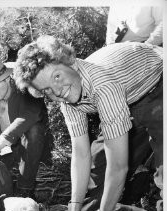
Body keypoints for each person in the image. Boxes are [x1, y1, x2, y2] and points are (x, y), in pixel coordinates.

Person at [13, 35, 163, 211]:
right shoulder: (68, 97)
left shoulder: (102, 86)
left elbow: (118, 167)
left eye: (57, 76)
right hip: (128, 100)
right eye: (46, 90)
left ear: (69, 62)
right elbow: (81, 153)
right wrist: (74, 205)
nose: (57, 91)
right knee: (98, 166)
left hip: (159, 85)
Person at [0, 55, 52, 198]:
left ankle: (25, 188)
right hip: (5, 154)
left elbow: (28, 117)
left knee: (34, 130)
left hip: (30, 151)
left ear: (7, 78)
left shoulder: (28, 92)